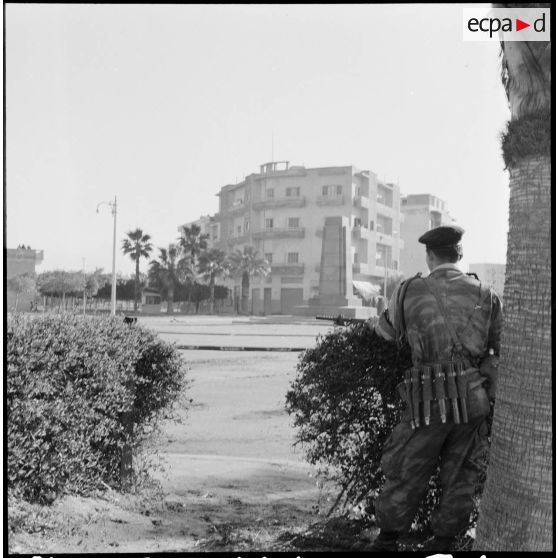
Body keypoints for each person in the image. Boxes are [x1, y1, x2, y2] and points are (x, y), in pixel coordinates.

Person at [366, 224, 503, 552]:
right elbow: (497, 350)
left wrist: (373, 323)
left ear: (429, 256)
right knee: (462, 474)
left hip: (428, 402)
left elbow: (387, 332)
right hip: (473, 401)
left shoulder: (409, 289)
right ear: (459, 254)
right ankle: (442, 542)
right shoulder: (487, 294)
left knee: (406, 468)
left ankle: (388, 539)